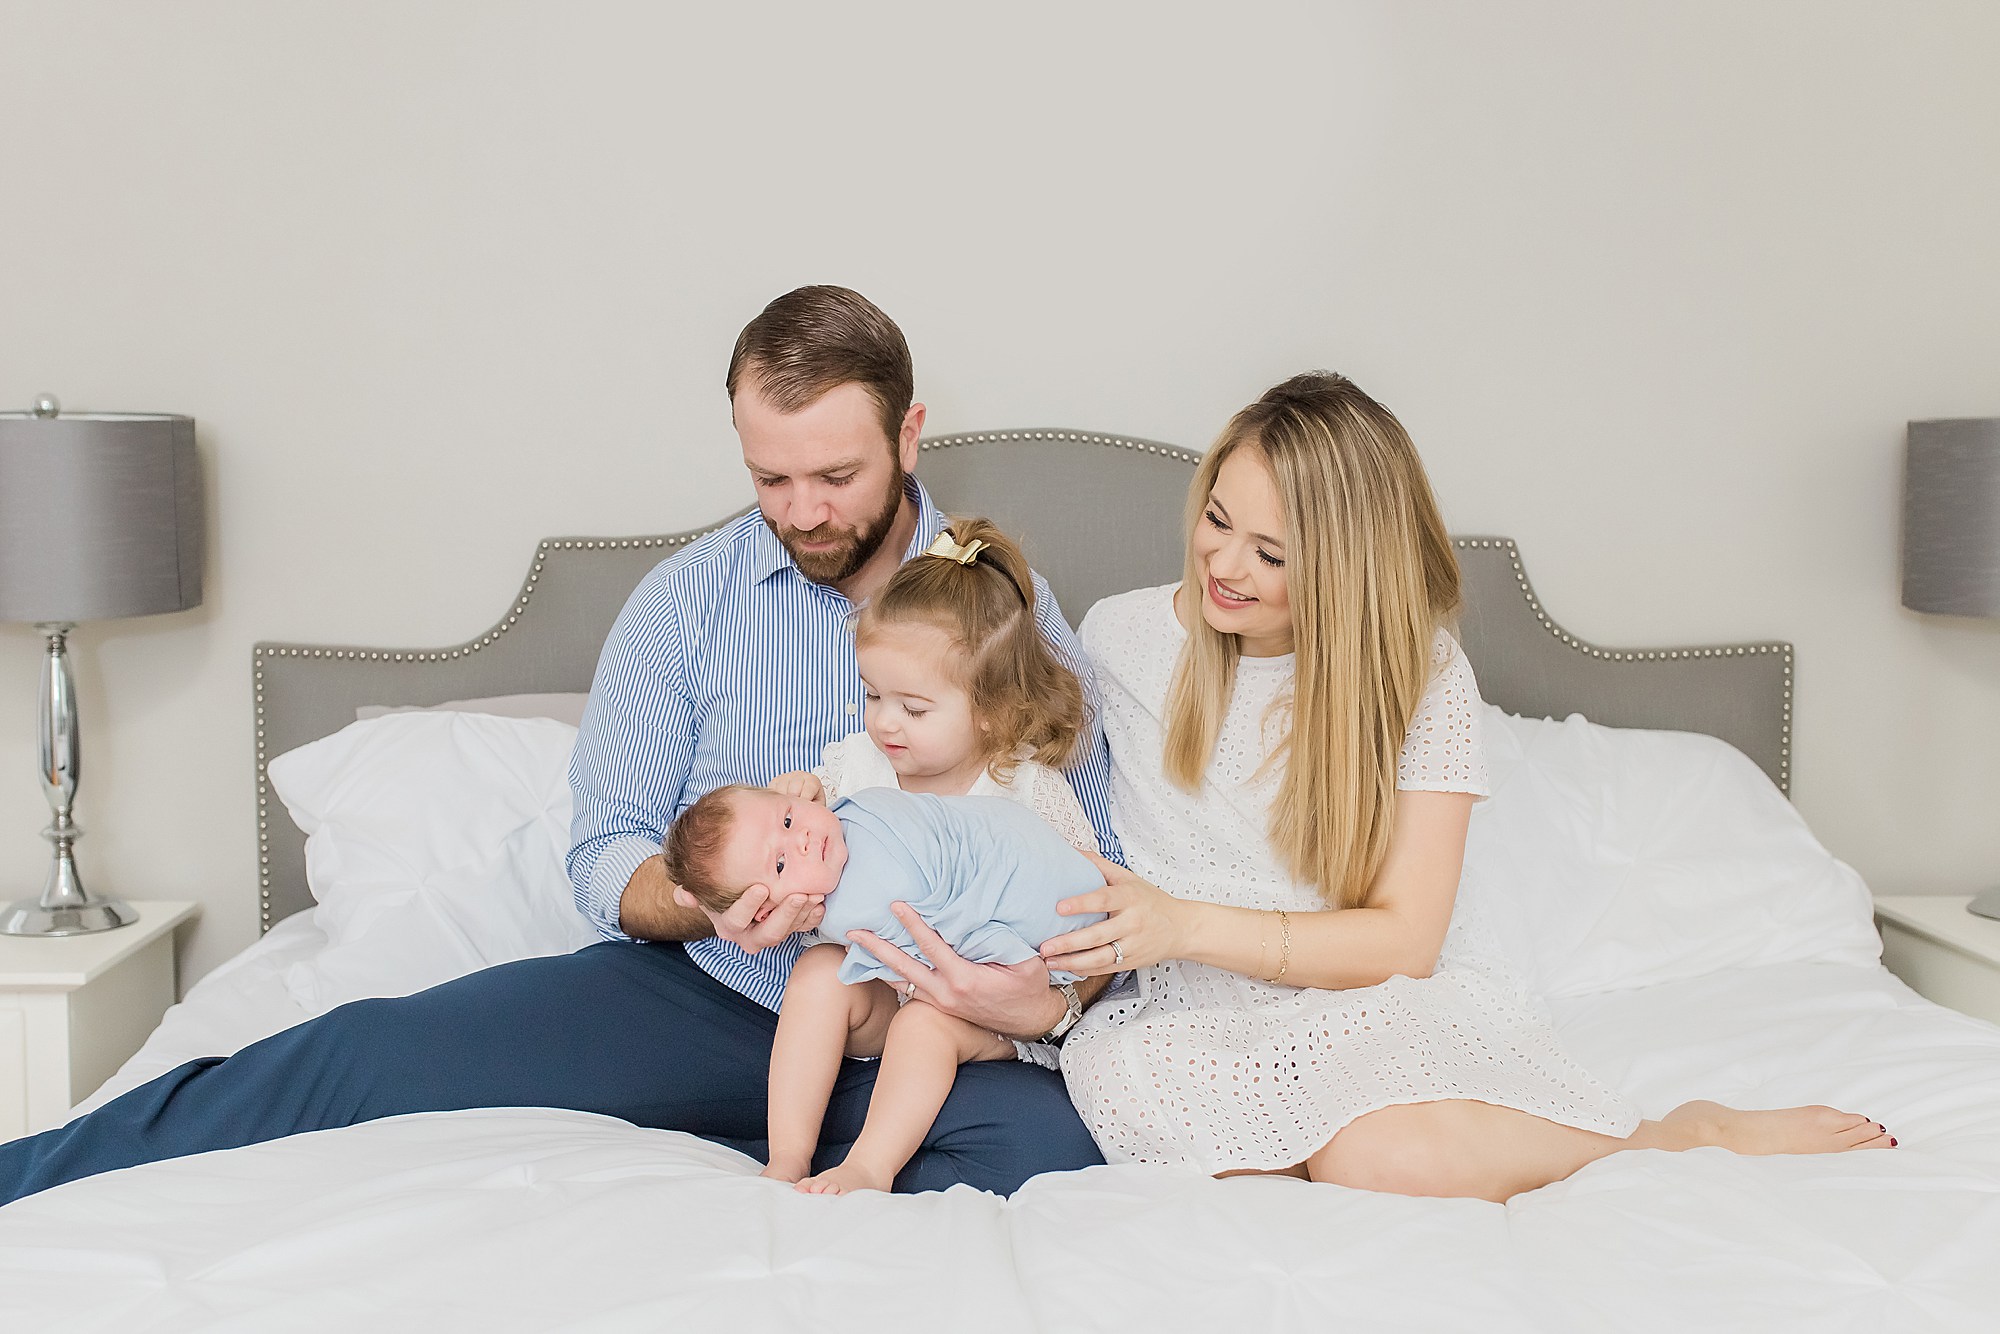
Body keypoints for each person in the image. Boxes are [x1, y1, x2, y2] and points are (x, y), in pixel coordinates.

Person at [0, 286, 1117, 1208]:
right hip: (707, 1000)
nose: (803, 511)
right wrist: (717, 898)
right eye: (769, 480)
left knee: (1059, 1155)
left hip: (934, 1022)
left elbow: (1098, 864)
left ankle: (830, 1144)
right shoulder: (685, 602)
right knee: (357, 1054)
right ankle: (30, 1174)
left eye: (836, 477)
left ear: (908, 432)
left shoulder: (1003, 602)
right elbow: (602, 860)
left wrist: (1032, 1005)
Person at [1042, 372, 1894, 1202]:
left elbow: (1405, 942)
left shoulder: (1419, 676)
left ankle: (1670, 1135)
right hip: (1186, 1006)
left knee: (1388, 1163)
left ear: (1345, 568)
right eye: (1217, 520)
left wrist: (1186, 921)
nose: (1224, 564)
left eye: (1271, 554)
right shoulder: (1122, 636)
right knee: (1236, 1176)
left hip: (1363, 994)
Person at [664, 520, 1106, 1194]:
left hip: (981, 1008)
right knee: (815, 971)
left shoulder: (1025, 790)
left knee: (928, 1024)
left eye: (915, 708)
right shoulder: (856, 768)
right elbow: (796, 845)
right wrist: (786, 813)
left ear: (991, 711)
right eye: (874, 696)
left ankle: (869, 1165)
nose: (886, 722)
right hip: (884, 990)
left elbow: (1088, 909)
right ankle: (788, 1156)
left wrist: (1049, 992)